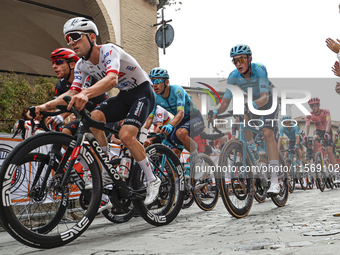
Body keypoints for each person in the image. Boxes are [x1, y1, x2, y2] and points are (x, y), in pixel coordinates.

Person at [30, 17, 160, 208]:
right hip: (124, 96)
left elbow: (112, 80)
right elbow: (72, 92)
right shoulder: (82, 65)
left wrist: (86, 93)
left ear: (92, 37)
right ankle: (107, 169)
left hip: (142, 92)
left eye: (76, 36)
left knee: (125, 135)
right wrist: (43, 107)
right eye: (68, 38)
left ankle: (152, 179)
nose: (72, 42)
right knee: (93, 119)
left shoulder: (108, 50)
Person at [209, 44, 281, 194]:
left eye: (241, 59)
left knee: (268, 133)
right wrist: (215, 111)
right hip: (254, 101)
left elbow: (264, 97)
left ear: (249, 59)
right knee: (240, 120)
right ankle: (253, 150)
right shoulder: (234, 76)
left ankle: (275, 181)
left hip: (268, 100)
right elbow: (226, 102)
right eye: (235, 61)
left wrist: (252, 105)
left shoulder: (259, 69)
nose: (238, 64)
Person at [147, 67, 205, 171]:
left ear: (166, 82)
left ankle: (198, 159)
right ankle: (178, 184)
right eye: (152, 81)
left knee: (181, 133)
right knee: (173, 154)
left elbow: (181, 113)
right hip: (179, 122)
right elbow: (149, 119)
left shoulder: (177, 90)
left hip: (194, 118)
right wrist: (140, 132)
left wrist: (170, 125)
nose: (154, 84)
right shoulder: (155, 97)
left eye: (157, 81)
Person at [304, 97, 337, 177]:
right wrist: (306, 135)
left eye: (315, 105)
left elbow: (329, 122)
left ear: (318, 105)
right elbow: (307, 126)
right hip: (318, 130)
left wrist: (326, 132)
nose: (313, 107)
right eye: (311, 106)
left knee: (329, 151)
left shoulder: (325, 111)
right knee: (314, 138)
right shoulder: (309, 115)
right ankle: (317, 158)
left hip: (327, 130)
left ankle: (336, 172)